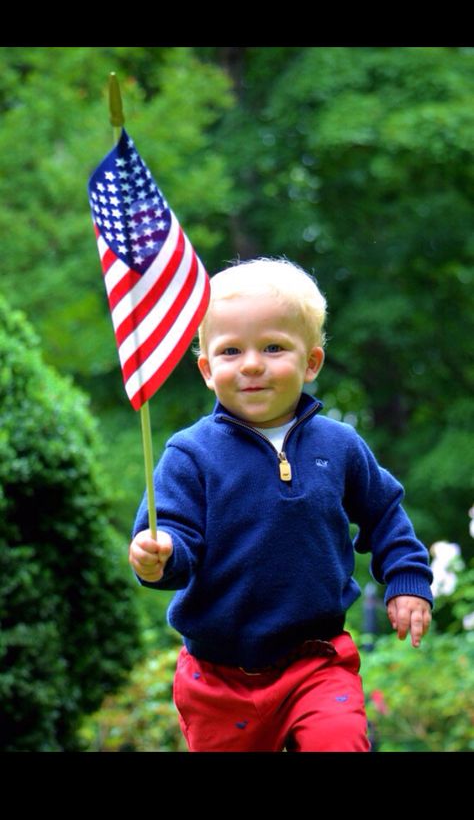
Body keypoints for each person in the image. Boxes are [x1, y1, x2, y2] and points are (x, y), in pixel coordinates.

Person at [129, 257, 433, 752]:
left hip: (317, 660)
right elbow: (172, 548)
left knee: (339, 741)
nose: (251, 364)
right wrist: (157, 555)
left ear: (311, 362)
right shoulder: (190, 455)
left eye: (273, 347)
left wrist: (406, 577)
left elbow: (385, 513)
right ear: (207, 370)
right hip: (219, 675)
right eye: (230, 351)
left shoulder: (339, 445)